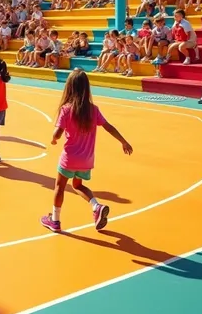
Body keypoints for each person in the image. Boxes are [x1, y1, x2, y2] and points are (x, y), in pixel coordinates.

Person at [40, 69, 133, 233]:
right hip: (87, 159)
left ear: (69, 87)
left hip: (69, 158)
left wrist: (54, 139)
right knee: (78, 185)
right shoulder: (93, 110)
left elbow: (58, 133)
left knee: (59, 188)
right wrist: (123, 141)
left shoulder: (66, 109)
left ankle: (55, 220)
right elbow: (108, 127)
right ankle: (96, 206)